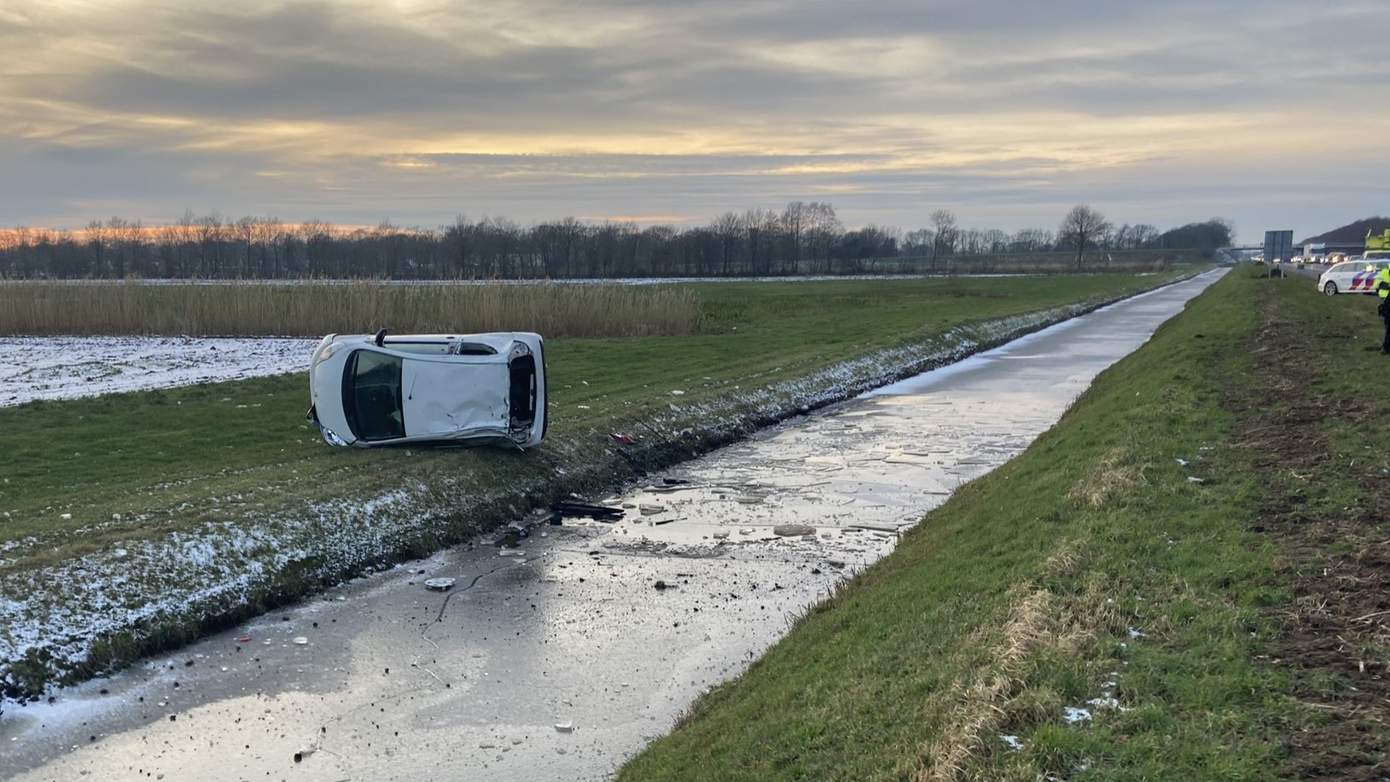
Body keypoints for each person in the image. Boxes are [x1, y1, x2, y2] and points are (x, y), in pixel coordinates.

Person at [1377, 263, 1390, 354]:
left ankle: (1386, 347)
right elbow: (1378, 285)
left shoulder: (1384, 272)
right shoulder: (1385, 272)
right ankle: (1386, 347)